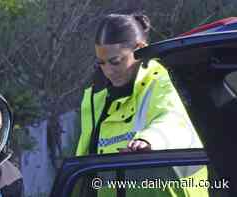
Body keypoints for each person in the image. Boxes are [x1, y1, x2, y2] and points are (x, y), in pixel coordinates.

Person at [75, 14, 208, 196]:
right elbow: (86, 167)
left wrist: (148, 140)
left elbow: (174, 121)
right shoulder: (96, 99)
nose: (108, 71)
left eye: (115, 61)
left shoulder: (162, 80)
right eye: (101, 63)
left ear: (140, 49)